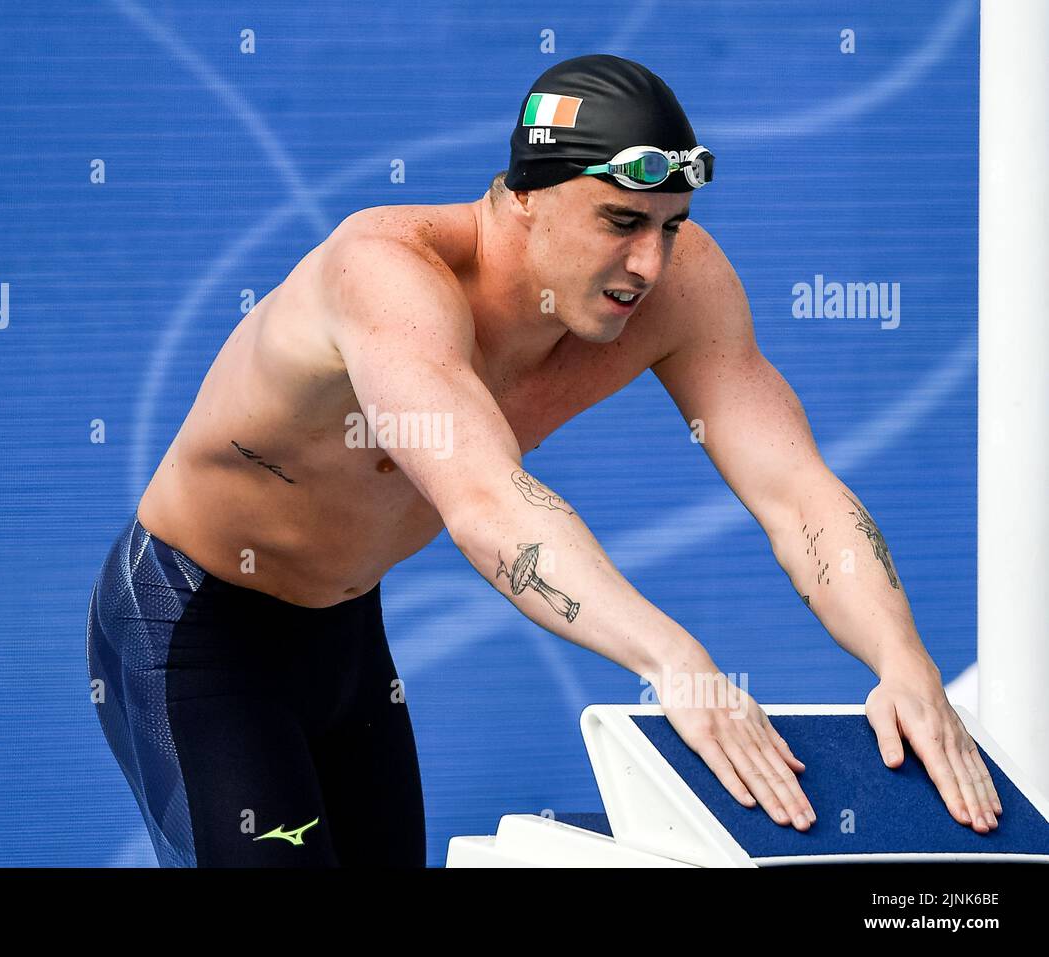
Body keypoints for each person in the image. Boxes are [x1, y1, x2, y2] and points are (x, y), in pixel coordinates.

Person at [86, 53, 1000, 867]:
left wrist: (902, 656)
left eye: (671, 225)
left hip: (345, 634)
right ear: (522, 193)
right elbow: (488, 503)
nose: (647, 262)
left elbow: (795, 486)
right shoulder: (388, 275)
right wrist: (675, 660)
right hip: (198, 627)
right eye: (619, 219)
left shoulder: (679, 287)